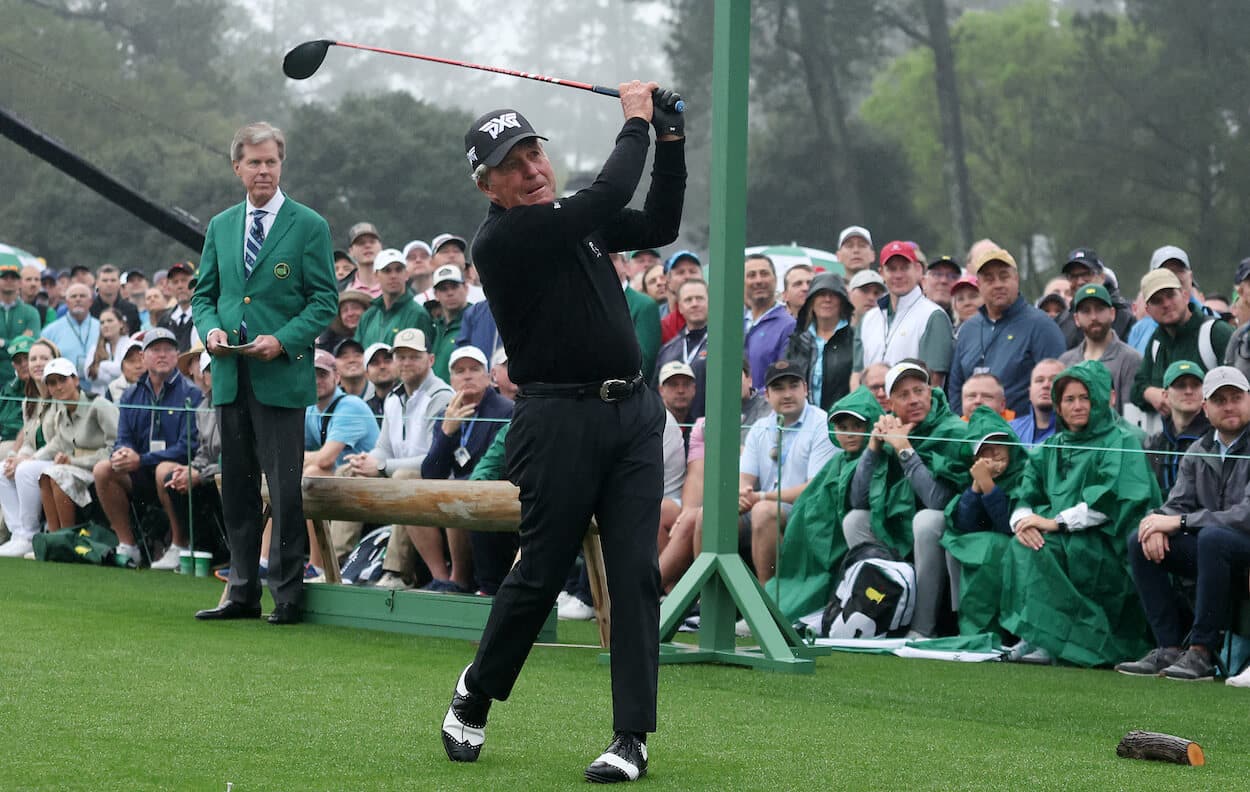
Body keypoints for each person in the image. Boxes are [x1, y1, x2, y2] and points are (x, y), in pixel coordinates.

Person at [442, 85, 683, 782]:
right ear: (489, 185)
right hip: (558, 424)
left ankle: (631, 737)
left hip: (633, 416)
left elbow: (659, 222)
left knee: (635, 574)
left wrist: (670, 141)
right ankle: (477, 691)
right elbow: (607, 195)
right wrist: (635, 120)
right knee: (542, 573)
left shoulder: (567, 215)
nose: (532, 168)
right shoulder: (508, 236)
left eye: (534, 151)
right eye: (512, 164)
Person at [191, 121, 338, 625]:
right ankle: (240, 591)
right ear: (237, 168)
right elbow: (203, 296)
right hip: (230, 375)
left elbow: (324, 301)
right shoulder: (220, 225)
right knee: (236, 489)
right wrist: (210, 332)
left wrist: (284, 340)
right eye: (253, 162)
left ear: (282, 164)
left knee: (284, 489)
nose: (263, 170)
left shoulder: (310, 225)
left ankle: (289, 594)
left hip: (282, 375)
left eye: (271, 161)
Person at [1003, 361, 1158, 666]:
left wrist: (1054, 522)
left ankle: (1054, 641)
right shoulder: (1053, 445)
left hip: (1105, 541)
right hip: (1063, 533)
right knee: (1022, 544)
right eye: (1068, 400)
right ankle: (1034, 636)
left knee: (1047, 548)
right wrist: (1023, 521)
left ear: (1099, 398)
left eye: (1084, 398)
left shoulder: (1122, 440)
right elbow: (1026, 489)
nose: (1076, 406)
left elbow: (1113, 499)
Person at [1119, 366, 1250, 680]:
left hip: (1239, 543)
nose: (1229, 405)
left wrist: (1179, 521)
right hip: (1215, 549)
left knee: (1213, 538)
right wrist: (1154, 525)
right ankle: (1169, 648)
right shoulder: (1198, 449)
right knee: (1139, 540)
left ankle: (1201, 651)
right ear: (1206, 407)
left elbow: (1246, 515)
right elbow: (1176, 504)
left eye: (1236, 397)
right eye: (1219, 400)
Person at [846, 360, 972, 639]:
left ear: (931, 392)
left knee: (927, 521)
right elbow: (858, 500)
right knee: (854, 521)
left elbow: (939, 501)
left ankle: (922, 628)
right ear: (890, 403)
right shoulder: (891, 428)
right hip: (902, 529)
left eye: (919, 390)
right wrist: (874, 447)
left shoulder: (952, 430)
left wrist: (904, 449)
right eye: (903, 395)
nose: (914, 399)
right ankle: (884, 612)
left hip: (951, 529)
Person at [764, 386, 908, 621]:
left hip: (846, 547)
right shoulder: (838, 460)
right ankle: (767, 611)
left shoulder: (882, 456)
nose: (849, 434)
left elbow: (859, 499)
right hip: (812, 544)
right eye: (842, 427)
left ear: (871, 425)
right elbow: (808, 503)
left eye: (857, 426)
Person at [351, 328, 453, 585]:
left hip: (434, 481)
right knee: (349, 472)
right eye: (401, 356)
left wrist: (382, 464)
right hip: (400, 474)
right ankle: (340, 565)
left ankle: (396, 572)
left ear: (430, 360)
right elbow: (383, 447)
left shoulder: (441, 396)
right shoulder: (394, 398)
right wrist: (368, 461)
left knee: (403, 476)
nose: (406, 363)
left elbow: (432, 461)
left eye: (413, 356)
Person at [92, 328, 201, 567]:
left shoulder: (191, 394)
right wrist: (122, 454)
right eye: (155, 350)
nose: (162, 355)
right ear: (143, 357)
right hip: (139, 472)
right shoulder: (131, 394)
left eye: (168, 350)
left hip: (176, 473)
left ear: (176, 355)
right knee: (103, 469)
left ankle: (179, 545)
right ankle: (128, 546)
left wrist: (142, 459)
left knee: (164, 469)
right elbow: (123, 437)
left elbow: (188, 447)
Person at [422, 345, 513, 595]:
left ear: (488, 376)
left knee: (456, 492)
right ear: (451, 379)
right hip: (463, 488)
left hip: (493, 490)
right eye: (460, 371)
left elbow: (498, 466)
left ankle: (462, 579)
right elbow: (430, 474)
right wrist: (446, 433)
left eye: (474, 369)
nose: (467, 376)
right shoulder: (447, 412)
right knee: (410, 486)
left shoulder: (505, 410)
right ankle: (441, 577)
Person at [941, 408, 1028, 640]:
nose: (993, 454)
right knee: (957, 547)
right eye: (984, 450)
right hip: (982, 544)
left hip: (1016, 546)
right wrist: (976, 487)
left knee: (993, 545)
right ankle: (964, 622)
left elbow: (1007, 525)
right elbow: (964, 524)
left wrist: (989, 486)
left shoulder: (1025, 473)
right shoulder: (973, 476)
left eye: (998, 445)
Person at [947, 245, 1065, 416]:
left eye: (1004, 277)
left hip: (1021, 437)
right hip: (970, 435)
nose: (998, 285)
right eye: (989, 279)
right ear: (979, 285)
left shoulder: (1041, 326)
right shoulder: (968, 330)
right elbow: (955, 389)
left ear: (1016, 279)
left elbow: (1059, 387)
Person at [32, 358, 120, 536]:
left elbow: (115, 448)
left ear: (76, 380)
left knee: (57, 474)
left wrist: (73, 461)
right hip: (80, 470)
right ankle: (56, 538)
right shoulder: (62, 413)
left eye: (63, 380)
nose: (58, 387)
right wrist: (29, 459)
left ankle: (66, 537)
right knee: (45, 475)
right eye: (52, 383)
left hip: (106, 471)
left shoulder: (100, 406)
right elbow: (58, 444)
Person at [1131, 268, 1232, 419]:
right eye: (1157, 300)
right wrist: (1150, 393)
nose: (1166, 304)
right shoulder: (1156, 341)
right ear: (1148, 310)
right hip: (1171, 438)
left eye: (1170, 295)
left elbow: (1239, 389)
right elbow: (1136, 389)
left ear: (1185, 296)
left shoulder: (1216, 332)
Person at [155, 348, 222, 570]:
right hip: (212, 473)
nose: (215, 374)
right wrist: (190, 470)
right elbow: (204, 452)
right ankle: (199, 548)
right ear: (203, 375)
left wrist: (199, 474)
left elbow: (233, 458)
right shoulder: (203, 407)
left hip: (230, 475)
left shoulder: (236, 406)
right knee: (175, 478)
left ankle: (222, 552)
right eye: (210, 370)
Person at [853, 241, 952, 388]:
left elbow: (934, 382)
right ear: (881, 273)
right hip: (869, 407)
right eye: (892, 269)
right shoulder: (868, 318)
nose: (898, 275)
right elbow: (856, 375)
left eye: (904, 268)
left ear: (918, 270)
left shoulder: (933, 316)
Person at [1059, 283, 1141, 414]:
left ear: (1112, 313)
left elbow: (1130, 417)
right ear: (1076, 319)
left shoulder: (1130, 359)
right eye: (1086, 311)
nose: (1094, 317)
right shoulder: (1065, 362)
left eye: (1100, 309)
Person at [302, 349, 379, 476]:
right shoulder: (310, 408)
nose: (316, 381)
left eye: (322, 375)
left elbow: (324, 460)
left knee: (313, 473)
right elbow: (295, 450)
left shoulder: (351, 406)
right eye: (311, 374)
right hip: (343, 474)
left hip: (368, 476)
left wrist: (297, 458)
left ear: (337, 377)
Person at [1142, 360, 1210, 501]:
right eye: (1180, 385)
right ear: (1165, 395)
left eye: (1195, 385)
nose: (1188, 391)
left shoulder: (1215, 438)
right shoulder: (1154, 443)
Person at [786, 272, 854, 412]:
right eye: (821, 294)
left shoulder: (854, 339)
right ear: (811, 300)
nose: (827, 299)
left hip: (841, 422)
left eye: (833, 294)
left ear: (842, 301)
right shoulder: (797, 341)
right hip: (802, 422)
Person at [1126, 245, 1210, 355]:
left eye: (1178, 270)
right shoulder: (1139, 329)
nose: (1171, 276)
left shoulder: (1212, 325)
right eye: (1164, 271)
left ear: (1190, 276)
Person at [355, 248, 434, 349]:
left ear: (406, 274)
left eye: (398, 270)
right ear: (376, 276)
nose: (393, 276)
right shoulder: (368, 316)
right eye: (387, 271)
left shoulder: (418, 314)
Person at [1056, 248, 1134, 349]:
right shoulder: (1062, 320)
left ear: (1101, 277)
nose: (1080, 281)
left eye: (1086, 274)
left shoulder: (1125, 316)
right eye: (1073, 276)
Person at [654, 279, 709, 419]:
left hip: (709, 428)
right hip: (674, 430)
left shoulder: (723, 346)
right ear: (680, 307)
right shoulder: (668, 350)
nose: (695, 304)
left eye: (700, 298)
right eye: (688, 300)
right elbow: (655, 392)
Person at [743, 254, 796, 390]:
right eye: (751, 275)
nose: (758, 280)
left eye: (764, 274)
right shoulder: (736, 323)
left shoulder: (788, 326)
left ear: (775, 279)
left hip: (766, 408)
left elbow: (783, 378)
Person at [611, 251, 662, 383]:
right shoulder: (589, 302)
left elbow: (645, 363)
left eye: (613, 258)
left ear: (626, 266)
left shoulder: (644, 305)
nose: (606, 263)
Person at [40, 283, 100, 381]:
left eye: (82, 296)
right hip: (62, 387)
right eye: (73, 296)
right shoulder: (49, 332)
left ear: (90, 302)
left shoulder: (102, 328)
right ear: (67, 302)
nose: (78, 299)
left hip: (97, 387)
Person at [0, 263, 41, 391]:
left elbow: (31, 345)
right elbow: (22, 345)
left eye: (14, 278)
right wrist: (17, 343)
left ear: (19, 282)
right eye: (5, 278)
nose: (9, 281)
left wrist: (2, 343)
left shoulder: (31, 312)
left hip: (23, 380)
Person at [1008, 359, 1064, 447]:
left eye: (1053, 380)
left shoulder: (1074, 433)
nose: (1045, 385)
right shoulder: (1011, 430)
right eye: (1039, 380)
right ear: (1030, 391)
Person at [429, 265, 471, 383]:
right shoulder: (435, 327)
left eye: (454, 287)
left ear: (466, 288)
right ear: (436, 294)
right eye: (444, 289)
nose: (450, 293)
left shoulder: (475, 319)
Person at [85, 307, 132, 396]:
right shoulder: (94, 349)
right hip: (100, 401)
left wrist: (102, 365)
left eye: (110, 321)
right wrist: (115, 373)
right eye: (102, 322)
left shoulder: (131, 345)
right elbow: (89, 375)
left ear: (121, 323)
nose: (105, 325)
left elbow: (125, 371)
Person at [659, 250, 703, 343]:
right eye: (680, 272)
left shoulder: (718, 313)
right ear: (667, 279)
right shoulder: (658, 318)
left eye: (693, 271)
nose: (687, 276)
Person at [156, 262, 199, 351]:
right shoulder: (164, 320)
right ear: (169, 287)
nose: (180, 286)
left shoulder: (203, 315)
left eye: (184, 280)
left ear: (194, 282)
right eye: (175, 282)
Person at [89, 264, 142, 335]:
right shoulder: (89, 309)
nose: (109, 284)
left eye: (113, 280)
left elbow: (135, 336)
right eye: (105, 280)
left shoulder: (131, 309)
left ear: (119, 282)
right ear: (97, 283)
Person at [0, 336, 34, 444]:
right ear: (13, 365)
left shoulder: (49, 388)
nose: (24, 364)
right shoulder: (8, 389)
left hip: (26, 444)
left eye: (27, 358)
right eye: (18, 361)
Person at [339, 222, 383, 297]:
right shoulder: (340, 290)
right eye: (361, 243)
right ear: (351, 251)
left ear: (381, 246)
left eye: (372, 241)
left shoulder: (396, 285)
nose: (367, 246)